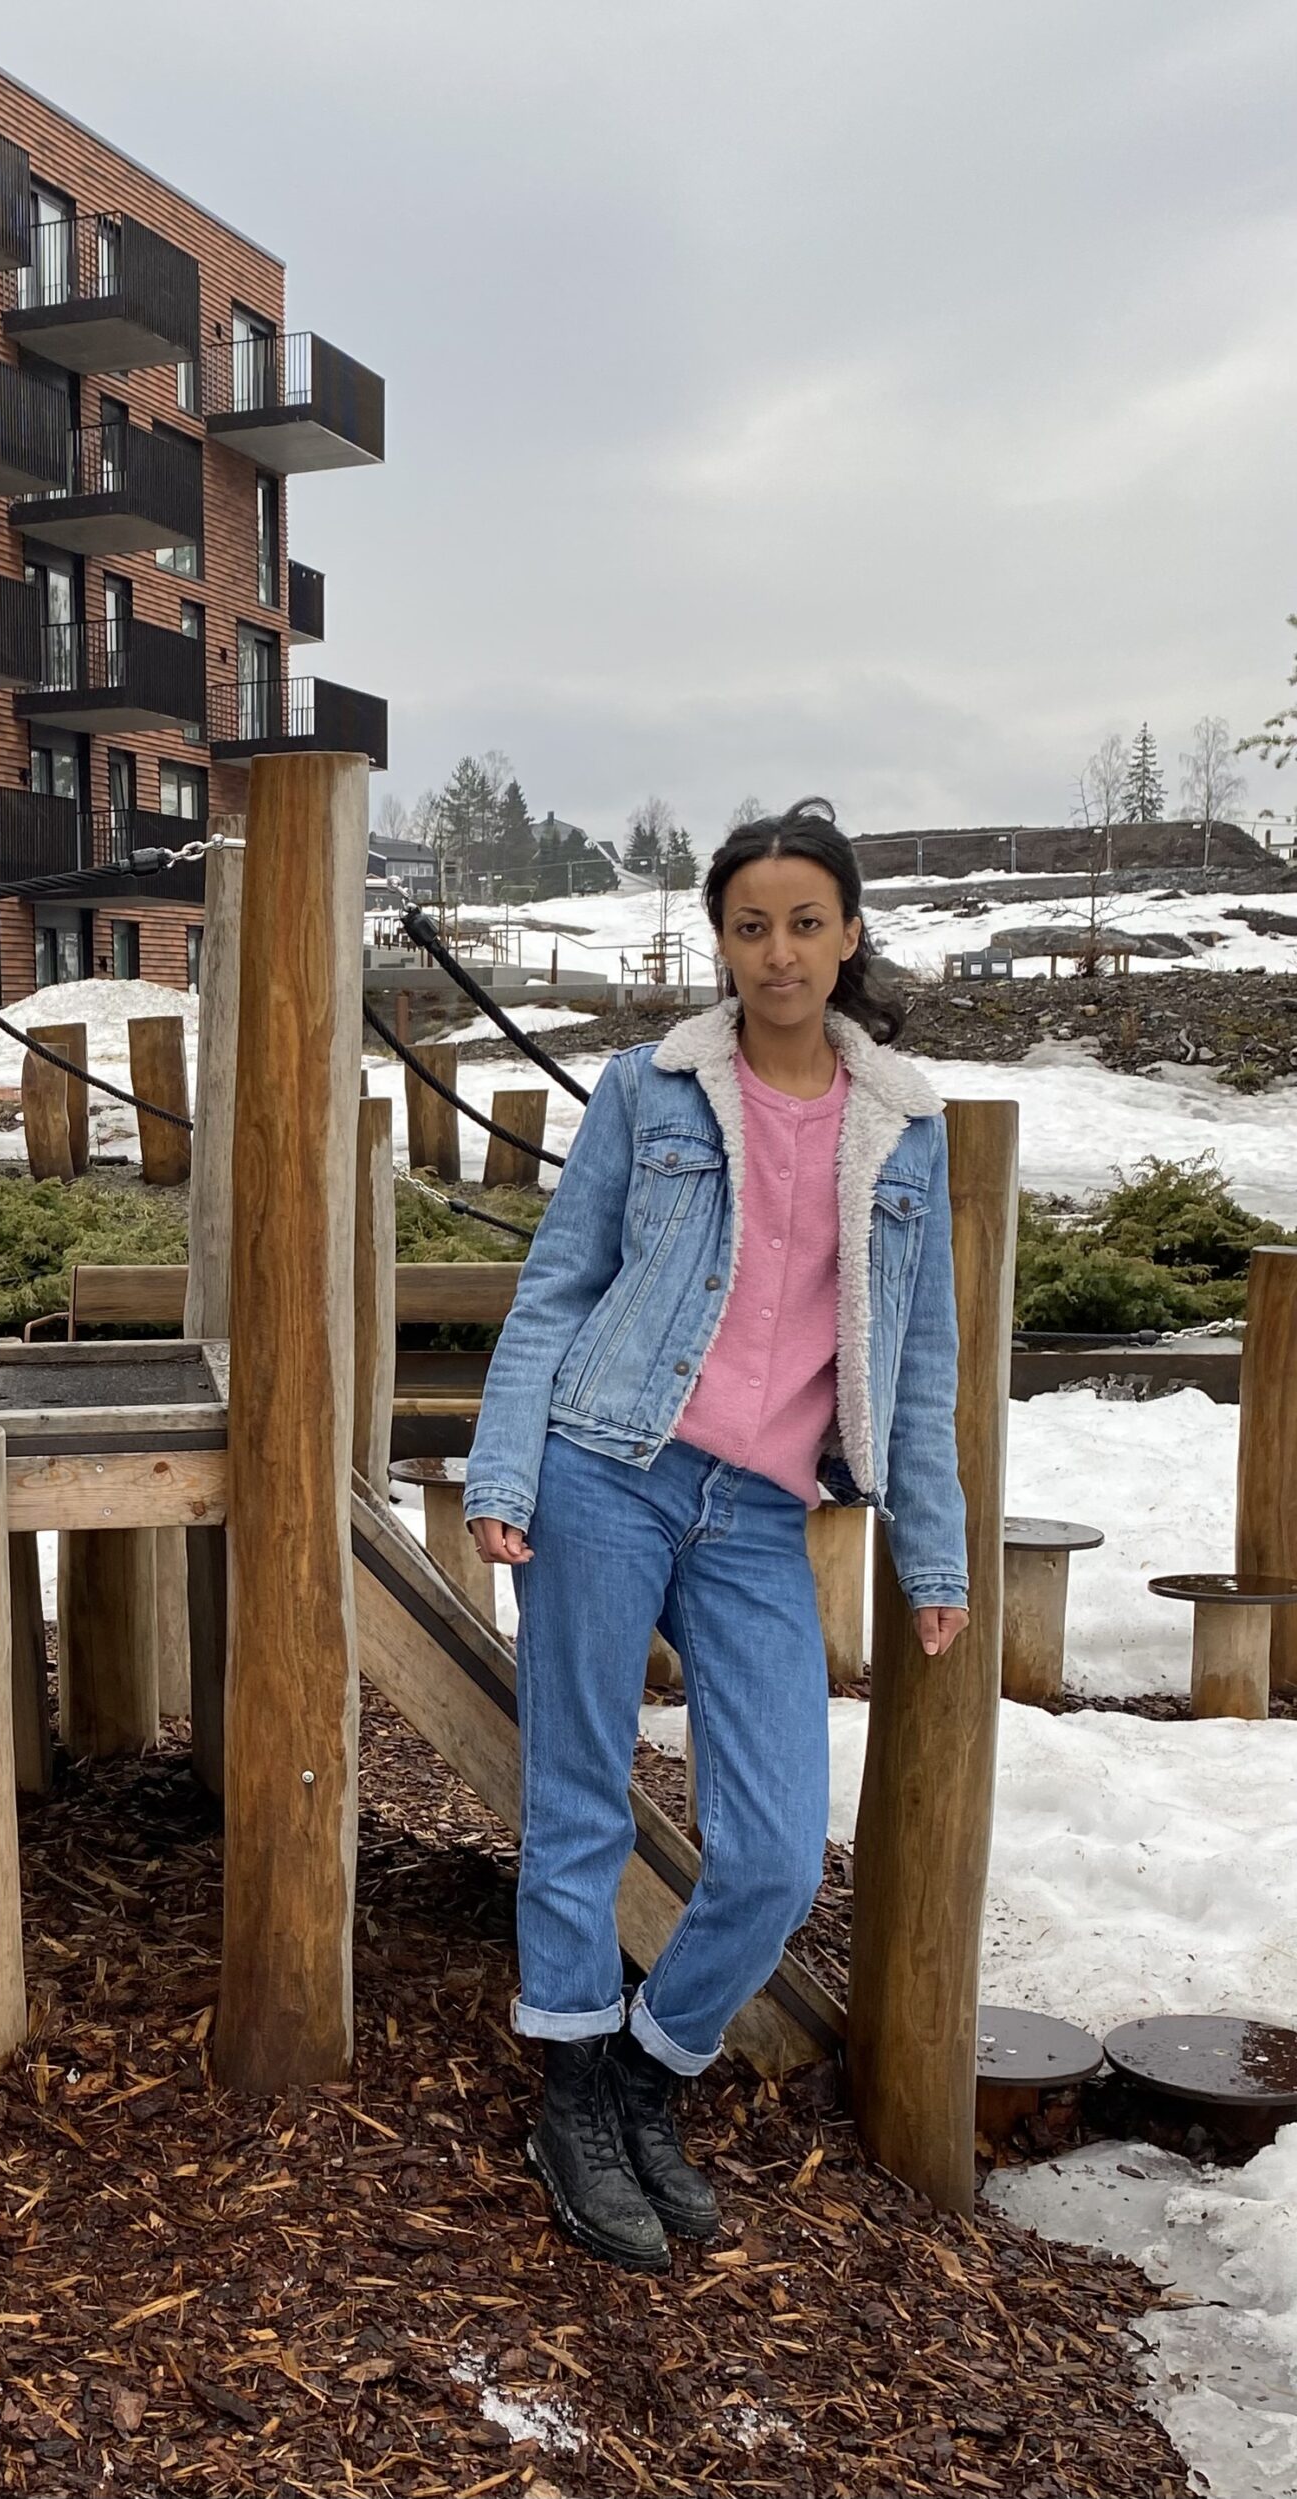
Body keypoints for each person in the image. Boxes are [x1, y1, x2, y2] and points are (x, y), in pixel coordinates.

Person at [463, 797, 969, 2271]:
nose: (779, 951)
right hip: (606, 1468)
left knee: (770, 1852)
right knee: (581, 1797)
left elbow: (914, 1360)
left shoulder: (907, 1127)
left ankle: (644, 2075)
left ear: (850, 935)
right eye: (751, 925)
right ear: (723, 943)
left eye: (807, 921)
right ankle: (569, 2097)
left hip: (756, 1510)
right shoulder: (653, 1088)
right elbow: (560, 1286)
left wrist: (927, 1554)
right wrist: (506, 1467)